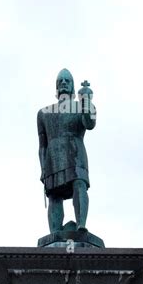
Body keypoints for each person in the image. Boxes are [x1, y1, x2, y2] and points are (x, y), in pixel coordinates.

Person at [37, 68, 96, 232]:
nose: (63, 83)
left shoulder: (80, 106)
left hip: (75, 151)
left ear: (72, 86)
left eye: (67, 81)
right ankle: (55, 232)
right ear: (56, 87)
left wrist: (86, 102)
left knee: (79, 184)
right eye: (60, 81)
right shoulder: (43, 113)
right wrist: (42, 168)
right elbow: (42, 146)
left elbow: (89, 124)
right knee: (54, 194)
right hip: (53, 157)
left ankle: (81, 224)